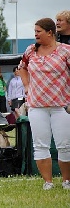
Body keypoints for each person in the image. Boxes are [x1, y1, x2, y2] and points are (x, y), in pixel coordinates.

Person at [18, 17, 70, 190]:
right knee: (40, 145)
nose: (35, 35)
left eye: (38, 31)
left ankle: (66, 181)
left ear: (50, 32)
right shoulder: (30, 51)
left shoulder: (65, 51)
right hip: (36, 106)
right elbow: (22, 68)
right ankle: (48, 182)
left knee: (64, 145)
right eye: (35, 31)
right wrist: (26, 86)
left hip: (61, 106)